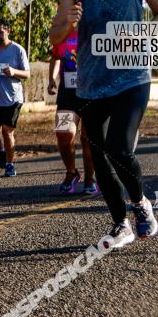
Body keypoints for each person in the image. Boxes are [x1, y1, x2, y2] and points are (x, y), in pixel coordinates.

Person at [49, 0, 158, 248]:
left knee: (118, 145)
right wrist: (68, 23)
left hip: (132, 75)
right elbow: (54, 38)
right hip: (92, 80)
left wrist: (143, 35)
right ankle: (121, 225)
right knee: (98, 153)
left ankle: (141, 204)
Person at [47, 30, 97, 195]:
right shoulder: (62, 32)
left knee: (88, 140)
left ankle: (90, 179)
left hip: (92, 94)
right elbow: (55, 57)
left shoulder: (95, 28)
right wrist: (51, 79)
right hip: (68, 95)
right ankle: (72, 172)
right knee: (63, 132)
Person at [0, 17, 30, 177]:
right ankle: (1, 147)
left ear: (8, 31)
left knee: (8, 131)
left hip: (12, 98)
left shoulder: (17, 50)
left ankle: (10, 164)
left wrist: (14, 72)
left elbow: (27, 73)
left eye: (0, 32)